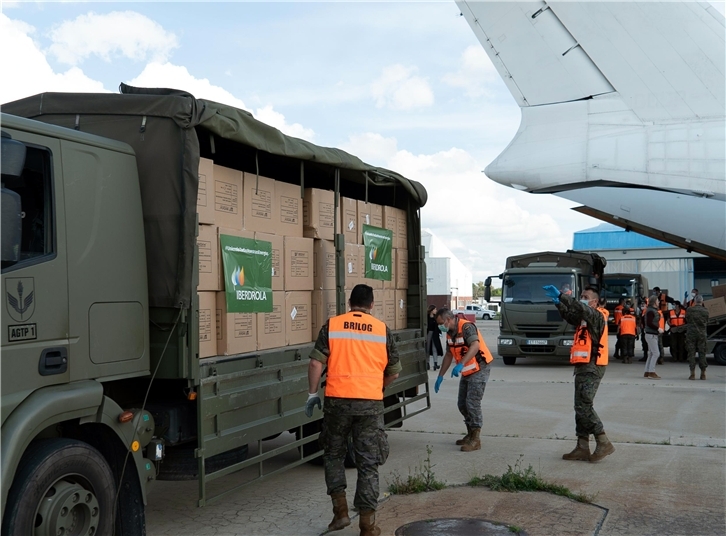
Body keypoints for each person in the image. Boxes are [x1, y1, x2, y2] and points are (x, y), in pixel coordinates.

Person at [305, 284, 400, 536]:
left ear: (349, 303)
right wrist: (375, 388)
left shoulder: (333, 325)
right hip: (370, 404)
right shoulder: (382, 330)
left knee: (333, 455)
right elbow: (394, 371)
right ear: (371, 304)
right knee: (368, 463)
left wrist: (313, 393)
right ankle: (368, 526)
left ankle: (340, 514)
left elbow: (316, 362)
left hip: (337, 403)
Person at [543, 284, 615, 462]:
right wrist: (559, 304)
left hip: (593, 366)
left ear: (594, 301)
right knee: (579, 406)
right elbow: (570, 316)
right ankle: (582, 446)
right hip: (583, 366)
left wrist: (561, 296)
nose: (582, 298)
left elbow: (579, 307)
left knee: (584, 406)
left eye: (585, 296)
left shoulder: (596, 315)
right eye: (581, 295)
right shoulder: (585, 318)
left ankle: (603, 440)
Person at [433, 307, 493, 452]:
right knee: (462, 404)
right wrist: (440, 375)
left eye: (441, 322)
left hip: (480, 367)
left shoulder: (466, 327)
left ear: (448, 319)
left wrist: (460, 364)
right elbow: (448, 354)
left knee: (472, 402)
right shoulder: (449, 333)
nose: (440, 326)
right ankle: (470, 433)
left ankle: (476, 439)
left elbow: (475, 345)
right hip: (467, 369)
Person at [685, 295, 709, 380]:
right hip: (702, 334)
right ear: (702, 301)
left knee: (691, 353)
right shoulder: (705, 311)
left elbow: (686, 319)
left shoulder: (689, 310)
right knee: (702, 353)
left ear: (694, 301)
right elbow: (707, 321)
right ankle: (703, 374)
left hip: (691, 334)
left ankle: (692, 374)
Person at [643, 296, 662, 379]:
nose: (659, 302)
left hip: (650, 334)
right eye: (657, 301)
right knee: (656, 353)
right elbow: (650, 323)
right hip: (651, 334)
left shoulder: (650, 310)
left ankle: (647, 371)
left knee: (651, 353)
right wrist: (658, 328)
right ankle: (651, 371)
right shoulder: (651, 311)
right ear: (654, 302)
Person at [426, 305, 443, 370]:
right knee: (427, 349)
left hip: (435, 334)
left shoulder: (436, 318)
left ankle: (435, 363)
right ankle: (427, 363)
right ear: (431, 310)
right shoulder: (427, 318)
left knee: (434, 348)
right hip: (428, 334)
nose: (436, 310)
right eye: (435, 309)